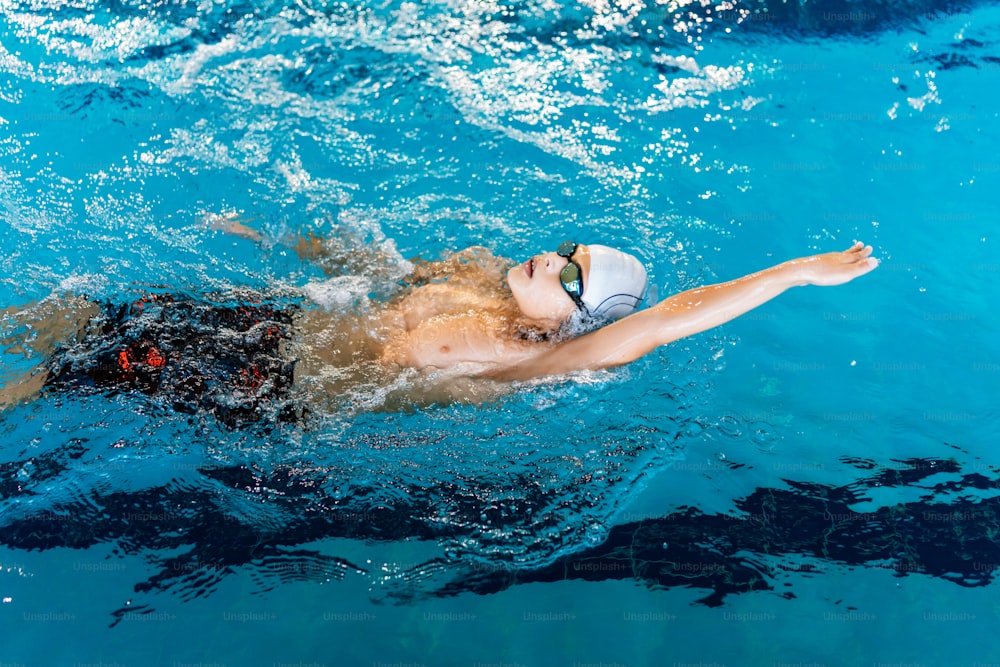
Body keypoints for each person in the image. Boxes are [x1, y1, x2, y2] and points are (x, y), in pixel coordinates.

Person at [0, 219, 878, 418]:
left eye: (570, 275)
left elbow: (669, 320)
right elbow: (373, 271)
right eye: (569, 246)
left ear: (574, 322)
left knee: (70, 366)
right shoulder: (476, 278)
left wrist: (799, 271)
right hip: (273, 328)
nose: (553, 257)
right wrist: (275, 241)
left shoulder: (528, 359)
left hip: (278, 385)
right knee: (83, 311)